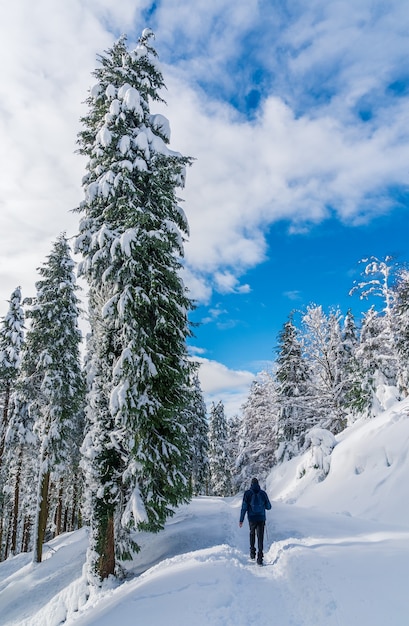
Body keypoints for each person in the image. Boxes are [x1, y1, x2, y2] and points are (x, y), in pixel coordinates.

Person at [239, 477, 271, 565]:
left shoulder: (247, 493)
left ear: (251, 484)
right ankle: (260, 557)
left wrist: (241, 520)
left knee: (252, 533)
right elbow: (269, 507)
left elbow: (244, 508)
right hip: (261, 518)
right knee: (260, 537)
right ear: (258, 484)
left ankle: (252, 552)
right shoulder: (263, 493)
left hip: (252, 519)